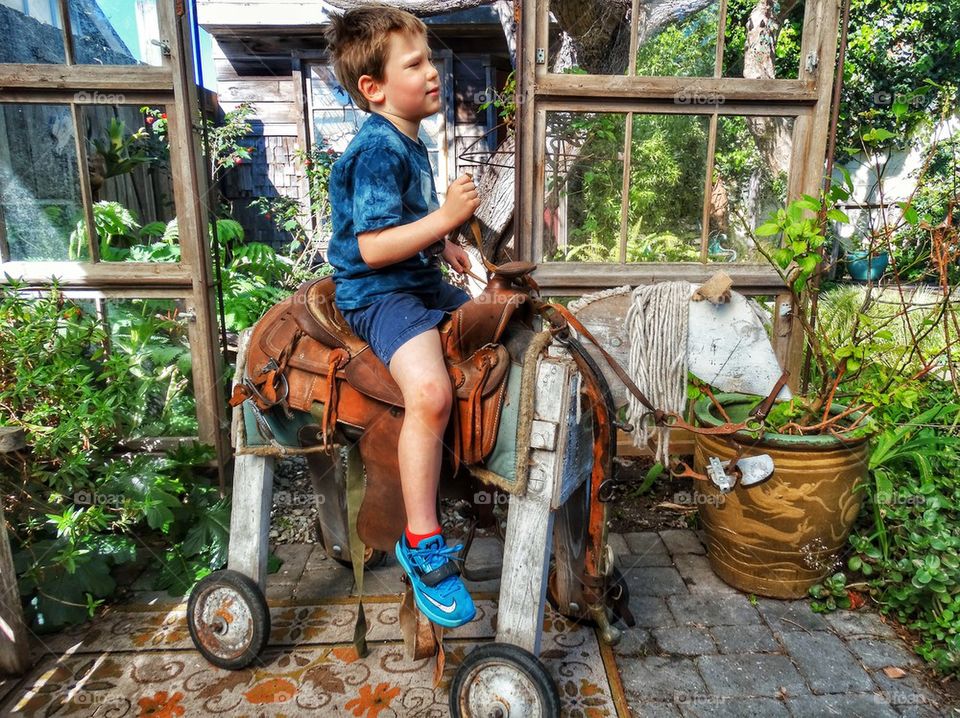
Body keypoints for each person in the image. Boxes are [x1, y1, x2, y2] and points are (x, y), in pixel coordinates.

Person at [325, 7, 479, 628]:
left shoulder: (409, 140)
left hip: (418, 278)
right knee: (431, 391)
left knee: (502, 327)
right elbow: (372, 245)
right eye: (414, 64)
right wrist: (444, 218)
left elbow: (405, 223)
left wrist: (444, 245)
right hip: (380, 293)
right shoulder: (377, 149)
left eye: (429, 59)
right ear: (374, 87)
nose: (433, 71)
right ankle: (421, 540)